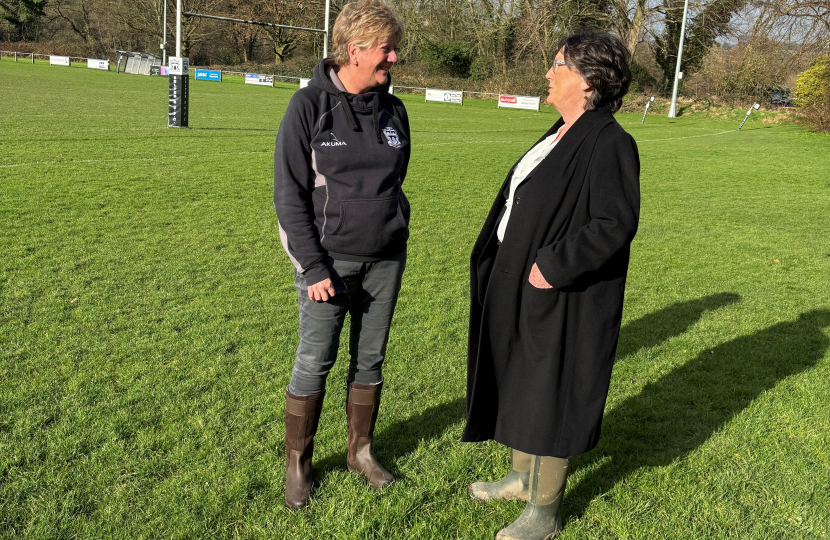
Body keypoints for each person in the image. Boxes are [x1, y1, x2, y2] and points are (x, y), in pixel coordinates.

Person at [462, 32, 640, 540]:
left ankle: (544, 513)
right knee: (523, 380)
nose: (548, 72)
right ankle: (522, 477)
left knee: (551, 391)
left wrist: (553, 266)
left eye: (557, 65)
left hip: (563, 293)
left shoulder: (609, 142)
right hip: (519, 280)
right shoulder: (559, 131)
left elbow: (614, 222)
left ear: (588, 82)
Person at [273, 0, 410, 509]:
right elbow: (289, 194)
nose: (394, 59)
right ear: (354, 50)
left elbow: (396, 181)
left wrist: (395, 227)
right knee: (315, 361)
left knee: (370, 359)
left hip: (386, 260)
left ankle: (361, 453)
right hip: (328, 265)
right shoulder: (308, 105)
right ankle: (298, 466)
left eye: (395, 49)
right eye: (386, 49)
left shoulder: (395, 110)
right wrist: (312, 266)